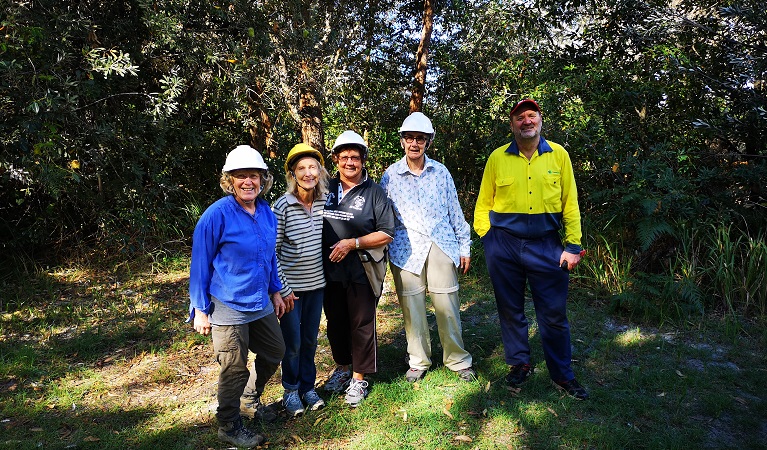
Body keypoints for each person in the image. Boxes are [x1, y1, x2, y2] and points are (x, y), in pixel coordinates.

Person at [473, 99, 589, 400]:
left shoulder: (559, 155)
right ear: (512, 125)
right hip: (504, 245)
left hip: (547, 245)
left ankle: (563, 375)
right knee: (510, 309)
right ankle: (519, 363)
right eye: (519, 117)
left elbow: (570, 204)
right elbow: (483, 203)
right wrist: (489, 240)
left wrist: (572, 245)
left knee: (553, 314)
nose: (526, 121)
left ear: (540, 120)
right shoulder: (497, 158)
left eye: (531, 116)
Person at [188, 145, 290, 448]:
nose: (248, 182)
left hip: (259, 301)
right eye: (241, 176)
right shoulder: (216, 215)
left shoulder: (266, 213)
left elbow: (269, 257)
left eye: (254, 176)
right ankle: (230, 425)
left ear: (263, 180)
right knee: (234, 367)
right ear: (230, 180)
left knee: (275, 351)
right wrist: (200, 309)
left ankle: (249, 399)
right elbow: (200, 262)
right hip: (228, 305)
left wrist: (276, 291)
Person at [380, 112, 475, 383]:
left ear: (427, 142)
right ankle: (418, 360)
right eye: (409, 138)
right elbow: (383, 216)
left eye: (420, 138)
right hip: (405, 248)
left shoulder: (440, 172)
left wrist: (464, 246)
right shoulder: (391, 175)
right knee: (412, 306)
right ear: (402, 142)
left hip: (441, 243)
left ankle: (457, 359)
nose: (414, 143)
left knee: (447, 302)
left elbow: (455, 212)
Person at [321, 130, 395, 407]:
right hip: (327, 269)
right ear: (335, 159)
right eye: (344, 157)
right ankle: (341, 368)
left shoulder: (374, 192)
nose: (350, 162)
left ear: (363, 160)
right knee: (336, 322)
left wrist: (352, 243)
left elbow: (387, 232)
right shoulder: (324, 187)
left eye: (355, 157)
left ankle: (359, 377)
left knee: (361, 323)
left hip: (362, 268)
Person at [270, 143, 329, 417]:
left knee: (310, 340)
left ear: (320, 170)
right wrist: (282, 289)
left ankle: (308, 387)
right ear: (293, 174)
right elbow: (272, 251)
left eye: (312, 167)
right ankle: (290, 391)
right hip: (291, 291)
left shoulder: (326, 200)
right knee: (292, 343)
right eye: (301, 168)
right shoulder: (282, 205)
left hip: (317, 285)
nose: (308, 173)